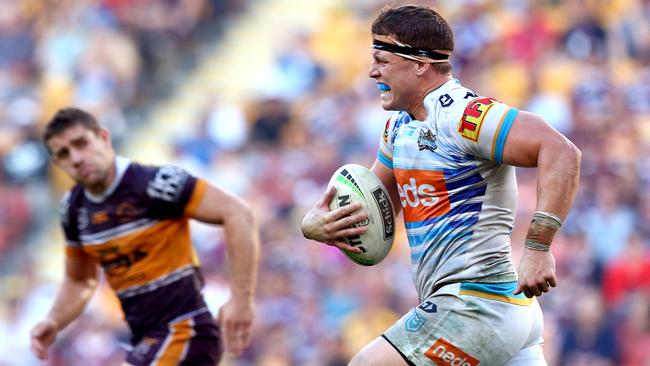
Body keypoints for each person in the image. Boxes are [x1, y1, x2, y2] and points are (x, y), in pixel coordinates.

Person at [301, 5, 581, 366]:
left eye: (382, 60)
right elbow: (376, 212)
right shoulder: (397, 128)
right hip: (500, 310)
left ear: (420, 63)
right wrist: (315, 225)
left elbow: (560, 150)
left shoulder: (464, 115)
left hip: (477, 303)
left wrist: (539, 246)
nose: (372, 72)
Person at [30, 107, 260, 365]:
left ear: (104, 137)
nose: (76, 158)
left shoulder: (156, 183)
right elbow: (80, 281)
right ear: (57, 164)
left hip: (186, 331)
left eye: (81, 143)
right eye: (63, 153)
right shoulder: (73, 210)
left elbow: (237, 213)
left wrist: (242, 300)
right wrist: (54, 320)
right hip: (144, 340)